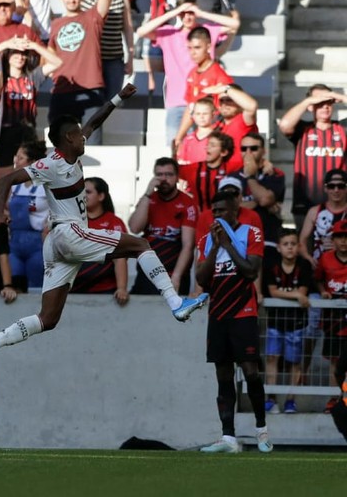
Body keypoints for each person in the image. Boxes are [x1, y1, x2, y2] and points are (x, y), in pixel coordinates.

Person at [0, 86, 210, 381]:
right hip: (68, 234)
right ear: (68, 138)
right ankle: (176, 303)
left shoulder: (70, 153)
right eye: (79, 134)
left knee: (48, 319)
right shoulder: (51, 164)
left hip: (59, 244)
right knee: (141, 244)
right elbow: (7, 179)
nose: (85, 137)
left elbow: (96, 121)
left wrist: (119, 97)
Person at [196, 192, 271, 454]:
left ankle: (261, 429)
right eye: (214, 211)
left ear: (235, 210)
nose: (217, 216)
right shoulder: (206, 240)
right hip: (218, 314)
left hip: (244, 311)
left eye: (222, 211)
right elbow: (202, 280)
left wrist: (227, 244)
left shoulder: (251, 233)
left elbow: (251, 271)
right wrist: (216, 246)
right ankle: (228, 437)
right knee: (223, 375)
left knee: (251, 372)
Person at [135, 0, 238, 142]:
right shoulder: (169, 34)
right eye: (183, 13)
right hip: (176, 102)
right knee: (174, 147)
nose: (187, 17)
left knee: (204, 148)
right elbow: (141, 31)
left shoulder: (206, 32)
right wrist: (173, 12)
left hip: (204, 104)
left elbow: (235, 24)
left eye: (191, 13)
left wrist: (201, 13)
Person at [46, 0, 112, 144]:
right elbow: (50, 54)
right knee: (59, 145)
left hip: (91, 87)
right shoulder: (55, 23)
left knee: (92, 142)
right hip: (62, 89)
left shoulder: (92, 17)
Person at [64, 0, 133, 100]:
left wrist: (131, 56)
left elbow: (127, 26)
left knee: (110, 104)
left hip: (114, 58)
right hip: (90, 58)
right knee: (92, 101)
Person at [128, 157, 197, 296]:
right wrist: (147, 193)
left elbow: (188, 245)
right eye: (159, 174)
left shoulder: (187, 203)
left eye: (169, 174)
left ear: (177, 177)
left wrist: (176, 276)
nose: (164, 179)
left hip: (173, 273)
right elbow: (135, 228)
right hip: (148, 272)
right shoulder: (148, 199)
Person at [277, 85, 347, 222]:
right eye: (319, 103)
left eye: (328, 102)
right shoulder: (302, 130)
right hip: (305, 206)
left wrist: (340, 97)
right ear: (310, 106)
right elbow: (284, 125)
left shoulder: (343, 128)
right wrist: (308, 101)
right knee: (304, 243)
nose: (325, 106)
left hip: (341, 207)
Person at [262, 228, 311, 415]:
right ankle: (271, 398)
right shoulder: (272, 266)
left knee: (294, 361)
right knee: (272, 358)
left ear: (298, 247)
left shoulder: (304, 265)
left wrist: (299, 295)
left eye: (293, 244)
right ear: (279, 248)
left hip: (297, 323)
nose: (290, 248)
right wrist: (296, 294)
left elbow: (304, 293)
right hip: (275, 321)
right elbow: (273, 292)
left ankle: (291, 400)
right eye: (286, 244)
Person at [171, 27, 235, 149]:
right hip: (199, 134)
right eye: (190, 48)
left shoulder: (219, 75)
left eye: (197, 48)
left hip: (216, 137)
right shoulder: (192, 74)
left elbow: (229, 111)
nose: (193, 53)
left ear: (209, 47)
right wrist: (179, 137)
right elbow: (190, 108)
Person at [69, 177, 129, 302]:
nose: (83, 195)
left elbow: (120, 259)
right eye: (81, 192)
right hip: (73, 289)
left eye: (88, 192)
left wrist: (122, 288)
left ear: (101, 196)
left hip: (105, 291)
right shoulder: (71, 221)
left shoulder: (114, 222)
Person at [228, 133, 284, 257]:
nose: (248, 153)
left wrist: (250, 177)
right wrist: (257, 201)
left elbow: (264, 199)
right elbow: (229, 209)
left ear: (263, 151)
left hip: (267, 239)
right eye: (244, 149)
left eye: (253, 148)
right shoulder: (231, 177)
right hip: (238, 240)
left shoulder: (275, 174)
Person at [314, 219, 347, 414]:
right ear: (333, 240)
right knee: (334, 362)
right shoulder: (325, 259)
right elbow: (317, 280)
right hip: (333, 321)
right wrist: (323, 291)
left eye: (346, 237)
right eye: (340, 237)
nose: (344, 241)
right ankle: (334, 399)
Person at [6, 140, 48, 293]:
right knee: (15, 284)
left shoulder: (46, 186)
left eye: (21, 158)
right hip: (15, 242)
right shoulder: (14, 185)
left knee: (36, 287)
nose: (16, 161)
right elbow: (5, 209)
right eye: (15, 156)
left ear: (33, 162)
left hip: (38, 242)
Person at [299, 169, 347, 264]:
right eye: (331, 186)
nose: (336, 190)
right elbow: (301, 241)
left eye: (340, 186)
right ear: (325, 188)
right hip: (320, 268)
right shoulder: (314, 212)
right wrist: (309, 259)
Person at [180, 130, 235, 212]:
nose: (207, 147)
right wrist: (174, 155)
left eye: (212, 145)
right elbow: (172, 171)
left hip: (223, 218)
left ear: (223, 152)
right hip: (199, 218)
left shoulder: (232, 168)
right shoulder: (194, 168)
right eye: (208, 144)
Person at [176, 98, 217, 166]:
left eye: (205, 114)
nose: (201, 117)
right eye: (198, 114)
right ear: (193, 116)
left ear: (213, 115)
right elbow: (182, 162)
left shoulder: (217, 138)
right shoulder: (188, 139)